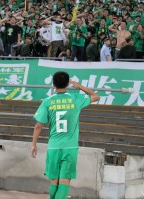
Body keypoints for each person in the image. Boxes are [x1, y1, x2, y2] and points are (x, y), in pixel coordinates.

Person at [31, 71, 99, 199]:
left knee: (54, 181)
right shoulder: (75, 99)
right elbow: (95, 96)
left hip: (53, 147)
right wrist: (79, 86)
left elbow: (38, 125)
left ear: (53, 84)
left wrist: (33, 145)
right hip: (70, 147)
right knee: (64, 181)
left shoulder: (47, 101)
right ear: (68, 83)